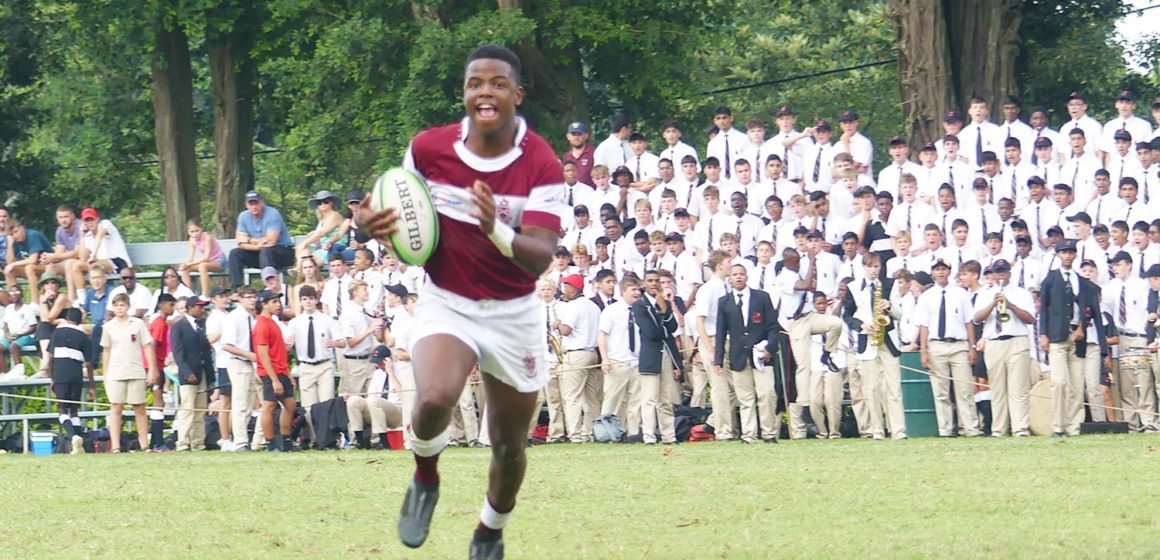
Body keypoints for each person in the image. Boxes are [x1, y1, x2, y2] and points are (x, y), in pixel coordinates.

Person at [357, 45, 565, 557]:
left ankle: (489, 530)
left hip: (514, 312)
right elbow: (396, 212)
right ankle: (425, 475)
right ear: (465, 93)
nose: (485, 92)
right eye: (475, 84)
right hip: (447, 300)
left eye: (497, 84)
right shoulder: (427, 149)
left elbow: (539, 257)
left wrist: (495, 228)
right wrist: (371, 225)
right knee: (432, 400)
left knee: (510, 445)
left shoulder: (541, 161)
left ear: (516, 94)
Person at [1039, 239, 1103, 437]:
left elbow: (1089, 309)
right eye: (1063, 252)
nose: (1067, 255)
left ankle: (1074, 426)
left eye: (1070, 252)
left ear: (1075, 255)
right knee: (1059, 382)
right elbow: (1044, 309)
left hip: (1078, 336)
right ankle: (1058, 426)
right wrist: (1043, 334)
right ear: (1058, 255)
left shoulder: (1082, 282)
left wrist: (1081, 328)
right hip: (1057, 336)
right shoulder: (1050, 279)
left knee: (1077, 384)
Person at [843, 253, 906, 440]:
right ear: (864, 267)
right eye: (870, 266)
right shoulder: (853, 287)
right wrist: (861, 325)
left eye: (876, 266)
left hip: (888, 340)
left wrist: (890, 306)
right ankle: (877, 430)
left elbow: (900, 313)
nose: (873, 270)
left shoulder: (889, 284)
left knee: (893, 387)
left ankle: (898, 430)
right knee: (871, 388)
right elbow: (847, 315)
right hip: (867, 339)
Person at [971, 260, 1037, 437]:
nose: (1000, 275)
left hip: (1016, 340)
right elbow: (976, 318)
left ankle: (1020, 428)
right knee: (998, 389)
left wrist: (1011, 306)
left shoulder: (1022, 293)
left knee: (1018, 389)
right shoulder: (985, 294)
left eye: (1003, 271)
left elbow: (1031, 319)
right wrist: (993, 304)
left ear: (1009, 273)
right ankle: (999, 429)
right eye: (997, 271)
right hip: (994, 342)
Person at [714, 264, 779, 443]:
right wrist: (718, 359)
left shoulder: (762, 298)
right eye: (734, 275)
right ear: (730, 278)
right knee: (745, 398)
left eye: (741, 274)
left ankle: (768, 433)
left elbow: (773, 327)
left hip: (761, 356)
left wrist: (769, 348)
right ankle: (749, 434)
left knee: (766, 393)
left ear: (747, 277)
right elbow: (720, 332)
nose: (738, 277)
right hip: (738, 356)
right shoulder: (724, 302)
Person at [916, 258, 980, 437]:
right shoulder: (926, 296)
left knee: (964, 389)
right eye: (937, 270)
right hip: (936, 345)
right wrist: (924, 351)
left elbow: (969, 322)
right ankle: (945, 429)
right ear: (933, 273)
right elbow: (923, 326)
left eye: (944, 269)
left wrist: (972, 347)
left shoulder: (961, 294)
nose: (941, 272)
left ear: (950, 272)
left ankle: (970, 428)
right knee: (941, 391)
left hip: (959, 345)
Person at [286, 285, 343, 441]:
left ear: (316, 300)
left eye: (311, 299)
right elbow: (286, 346)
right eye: (305, 299)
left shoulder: (327, 320)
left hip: (324, 364)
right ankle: (312, 438)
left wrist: (335, 343)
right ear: (301, 302)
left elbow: (342, 341)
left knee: (326, 404)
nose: (308, 302)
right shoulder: (295, 323)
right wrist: (288, 345)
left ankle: (328, 438)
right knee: (308, 407)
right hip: (305, 366)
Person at [101, 293, 157, 452]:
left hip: (135, 369)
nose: (120, 308)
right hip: (115, 371)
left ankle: (144, 444)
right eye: (117, 305)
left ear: (128, 306)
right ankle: (116, 445)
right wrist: (105, 374)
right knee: (116, 407)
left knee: (139, 407)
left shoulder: (137, 324)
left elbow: (147, 346)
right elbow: (106, 351)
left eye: (122, 305)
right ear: (113, 307)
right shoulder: (108, 326)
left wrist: (152, 368)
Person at [633, 267, 682, 445]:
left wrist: (665, 311)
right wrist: (664, 328)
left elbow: (674, 328)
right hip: (650, 356)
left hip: (666, 354)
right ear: (644, 284)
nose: (654, 284)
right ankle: (649, 436)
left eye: (657, 281)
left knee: (665, 399)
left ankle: (669, 436)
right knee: (649, 399)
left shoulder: (664, 303)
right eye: (650, 281)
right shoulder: (639, 305)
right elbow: (651, 332)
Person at [554, 274, 601, 443]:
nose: (563, 290)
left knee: (572, 396)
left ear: (573, 288)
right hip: (592, 353)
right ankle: (592, 432)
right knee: (591, 398)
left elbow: (566, 330)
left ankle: (574, 435)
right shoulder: (594, 306)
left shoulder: (574, 306)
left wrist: (557, 325)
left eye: (566, 286)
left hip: (576, 353)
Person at [252, 289, 297, 452]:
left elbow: (278, 352)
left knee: (290, 405)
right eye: (274, 302)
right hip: (271, 373)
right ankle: (271, 443)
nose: (278, 305)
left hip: (280, 370)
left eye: (278, 302)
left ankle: (285, 441)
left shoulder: (273, 322)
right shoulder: (262, 325)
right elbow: (263, 354)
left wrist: (287, 374)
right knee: (269, 407)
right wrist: (274, 379)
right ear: (264, 305)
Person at [597, 275, 642, 438]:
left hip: (636, 362)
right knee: (612, 401)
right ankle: (606, 434)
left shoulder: (641, 310)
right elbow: (602, 335)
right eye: (633, 290)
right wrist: (605, 359)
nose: (637, 293)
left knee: (635, 402)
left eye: (638, 290)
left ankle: (633, 433)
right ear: (623, 291)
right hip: (617, 362)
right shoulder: (612, 310)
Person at [45, 307, 94, 454]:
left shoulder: (57, 332)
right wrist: (91, 385)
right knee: (74, 410)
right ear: (80, 320)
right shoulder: (83, 336)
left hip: (60, 374)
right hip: (76, 375)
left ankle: (73, 437)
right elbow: (89, 364)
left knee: (62, 409)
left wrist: (51, 377)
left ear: (66, 318)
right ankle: (79, 443)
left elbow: (50, 358)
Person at [229, 190, 295, 289]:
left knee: (266, 251)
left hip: (282, 252)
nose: (254, 207)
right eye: (251, 204)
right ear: (246, 205)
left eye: (256, 203)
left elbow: (271, 241)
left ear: (262, 202)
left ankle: (270, 287)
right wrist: (257, 247)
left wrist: (251, 240)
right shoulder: (243, 216)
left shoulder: (273, 214)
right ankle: (237, 289)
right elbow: (241, 243)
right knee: (235, 253)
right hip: (260, 253)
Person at [172, 296, 214, 451]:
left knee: (200, 408)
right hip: (188, 373)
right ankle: (182, 442)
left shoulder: (201, 325)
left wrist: (210, 375)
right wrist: (186, 372)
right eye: (198, 306)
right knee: (188, 407)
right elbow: (178, 352)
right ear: (189, 308)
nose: (201, 309)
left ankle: (198, 441)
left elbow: (206, 351)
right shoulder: (179, 326)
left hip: (202, 371)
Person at [221, 285, 259, 451]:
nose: (252, 300)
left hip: (250, 363)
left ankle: (243, 438)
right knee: (240, 401)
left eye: (253, 297)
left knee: (249, 402)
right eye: (248, 297)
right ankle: (240, 441)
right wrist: (248, 354)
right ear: (240, 298)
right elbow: (227, 345)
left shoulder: (252, 317)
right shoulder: (234, 317)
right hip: (238, 361)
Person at [346, 344, 404, 449]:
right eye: (377, 363)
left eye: (381, 362)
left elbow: (403, 396)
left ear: (388, 360)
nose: (379, 365)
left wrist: (391, 373)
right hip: (377, 409)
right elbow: (370, 397)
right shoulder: (378, 373)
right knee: (353, 400)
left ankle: (382, 442)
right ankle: (359, 442)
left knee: (374, 400)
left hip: (397, 412)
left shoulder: (401, 371)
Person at [68, 207, 132, 303]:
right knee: (74, 265)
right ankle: (82, 298)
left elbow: (99, 236)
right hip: (101, 265)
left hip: (118, 263)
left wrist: (93, 255)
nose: (90, 223)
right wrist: (81, 236)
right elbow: (83, 257)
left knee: (85, 266)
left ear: (97, 219)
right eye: (87, 220)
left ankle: (86, 299)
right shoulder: (88, 236)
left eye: (92, 219)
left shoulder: (105, 224)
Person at [204, 286, 234, 450]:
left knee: (235, 402)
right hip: (224, 362)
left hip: (234, 362)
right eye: (220, 296)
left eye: (226, 296)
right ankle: (224, 437)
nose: (224, 299)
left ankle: (231, 435)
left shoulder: (228, 315)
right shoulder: (214, 318)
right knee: (225, 402)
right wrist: (225, 330)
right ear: (214, 299)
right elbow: (210, 339)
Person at [4, 219, 52, 303]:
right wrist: (10, 245)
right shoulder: (14, 241)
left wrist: (13, 264)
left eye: (16, 232)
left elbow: (33, 259)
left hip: (49, 266)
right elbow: (9, 263)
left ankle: (35, 302)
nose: (15, 236)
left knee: (29, 268)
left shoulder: (32, 235)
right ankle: (16, 302)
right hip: (34, 268)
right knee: (9, 271)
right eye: (11, 234)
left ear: (22, 227)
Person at [178, 219, 226, 296]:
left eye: (196, 231)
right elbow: (190, 257)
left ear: (201, 229)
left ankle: (205, 295)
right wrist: (185, 264)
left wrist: (190, 264)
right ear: (188, 232)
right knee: (185, 269)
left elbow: (206, 258)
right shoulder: (192, 240)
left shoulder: (207, 237)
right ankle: (188, 295)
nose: (194, 234)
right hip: (208, 263)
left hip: (219, 261)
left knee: (202, 266)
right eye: (192, 232)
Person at [297, 190, 346, 262]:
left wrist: (304, 243)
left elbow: (322, 233)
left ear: (331, 202)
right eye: (319, 202)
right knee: (303, 250)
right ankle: (299, 269)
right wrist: (312, 234)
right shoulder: (322, 218)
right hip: (322, 247)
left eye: (325, 201)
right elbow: (318, 233)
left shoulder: (335, 215)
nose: (322, 204)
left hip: (333, 247)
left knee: (304, 249)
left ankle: (300, 268)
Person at [1, 285, 37, 377]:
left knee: (14, 346)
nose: (14, 295)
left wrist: (21, 334)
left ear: (22, 295)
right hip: (11, 336)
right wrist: (7, 335)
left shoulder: (27, 309)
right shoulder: (9, 308)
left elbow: (33, 326)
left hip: (26, 336)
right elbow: (5, 325)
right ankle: (3, 373)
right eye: (12, 293)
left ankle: (19, 368)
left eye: (17, 292)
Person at [562, 121, 596, 186]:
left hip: (591, 193)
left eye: (579, 134)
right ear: (568, 136)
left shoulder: (594, 153)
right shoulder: (566, 156)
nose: (576, 137)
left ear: (586, 136)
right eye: (573, 134)